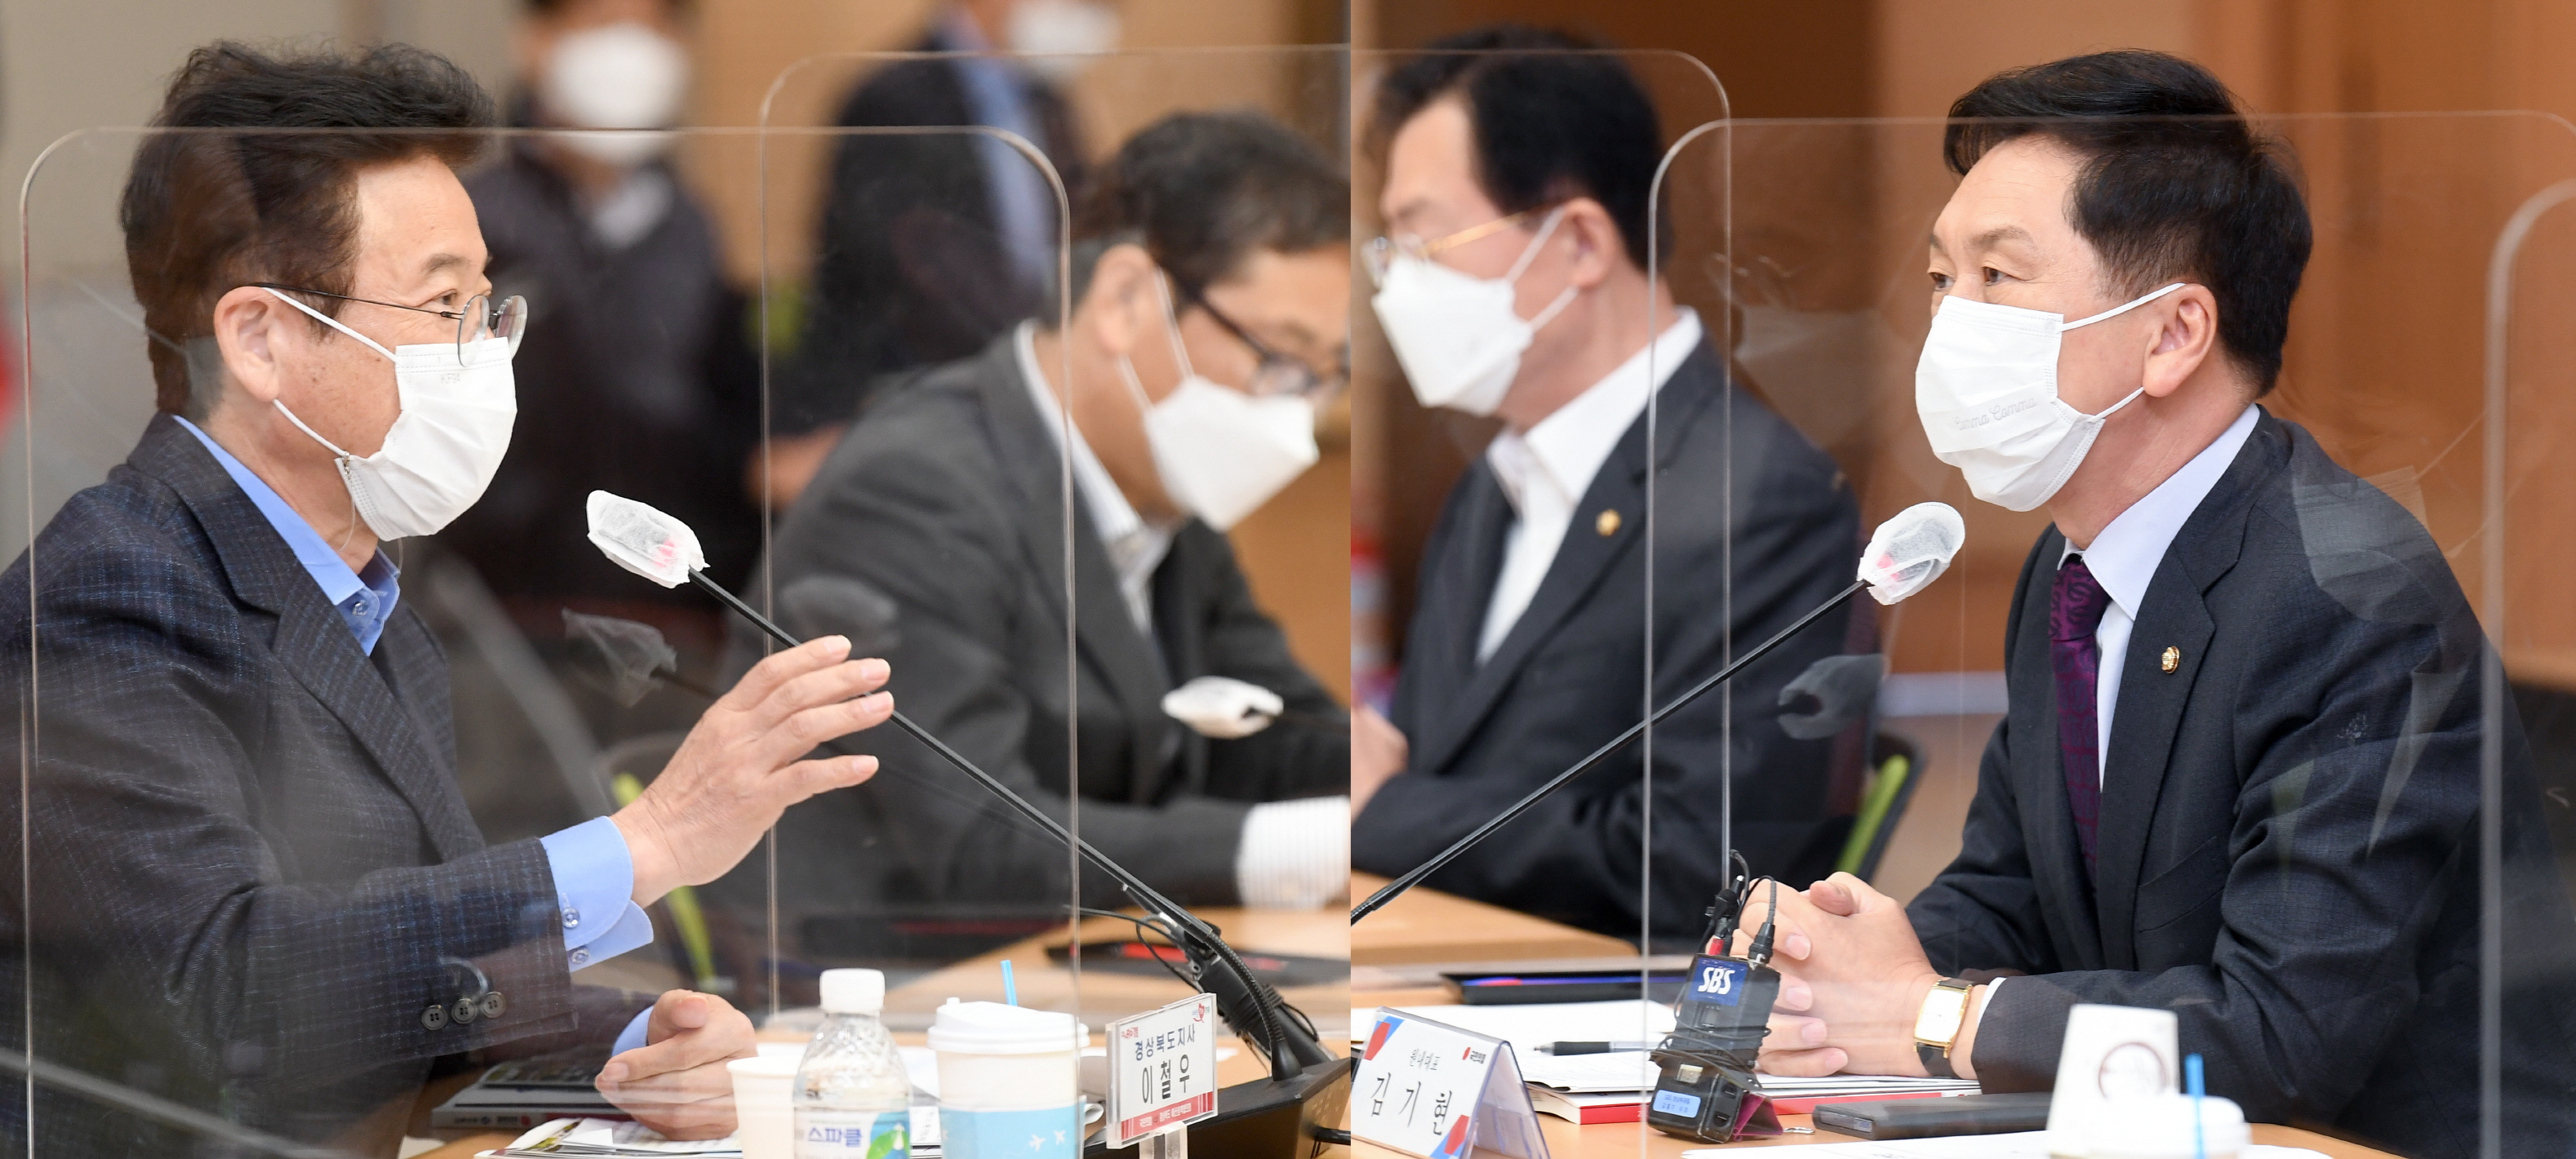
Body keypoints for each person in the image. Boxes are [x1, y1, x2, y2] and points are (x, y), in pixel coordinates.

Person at [0, 43, 898, 1152]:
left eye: (488, 304)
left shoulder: (366, 603)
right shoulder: (102, 596)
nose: (487, 354)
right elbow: (228, 997)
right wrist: (649, 841)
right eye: (444, 307)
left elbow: (398, 984)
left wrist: (631, 1048)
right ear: (261, 339)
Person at [1742, 51, 2576, 1158]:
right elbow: (2015, 891)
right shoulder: (2073, 565)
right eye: (1943, 278)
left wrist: (1929, 1015)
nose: (1950, 322)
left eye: (1999, 276)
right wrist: (1833, 972)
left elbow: (2282, 1033)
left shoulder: (2349, 600)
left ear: (2174, 333)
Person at [728, 110, 1350, 966]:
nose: (1298, 416)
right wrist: (1296, 847)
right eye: (1280, 358)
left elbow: (1274, 736)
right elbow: (984, 842)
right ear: (1126, 301)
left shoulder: (1158, 486)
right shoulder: (911, 488)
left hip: (1082, 972)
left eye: (1324, 376)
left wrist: (1414, 789)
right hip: (876, 990)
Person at [1348, 27, 1863, 943]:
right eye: (1388, 251)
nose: (1395, 289)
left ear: (1580, 242)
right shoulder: (1491, 485)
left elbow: (1702, 866)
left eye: (1423, 241)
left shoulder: (1760, 497)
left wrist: (1385, 809)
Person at [440, 0, 763, 659]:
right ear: (537, 41)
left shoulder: (690, 225)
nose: (628, 48)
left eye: (651, 27)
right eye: (602, 23)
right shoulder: (474, 219)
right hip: (510, 609)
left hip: (676, 604)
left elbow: (717, 408)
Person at [762, 0, 1112, 508]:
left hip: (1023, 405)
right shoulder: (895, 99)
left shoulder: (1048, 102)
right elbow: (888, 280)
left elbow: (1077, 243)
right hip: (916, 399)